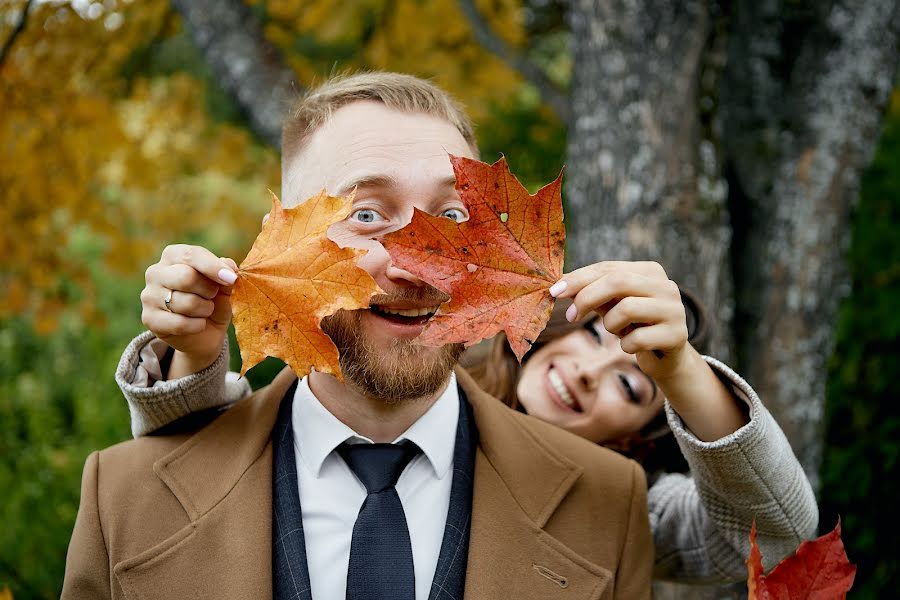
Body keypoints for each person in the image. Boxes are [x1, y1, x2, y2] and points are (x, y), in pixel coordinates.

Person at [62, 72, 654, 600]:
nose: (417, 264)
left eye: (451, 218)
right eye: (368, 214)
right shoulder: (121, 499)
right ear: (282, 238)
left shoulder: (608, 501)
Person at [117, 250, 819, 584]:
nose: (588, 371)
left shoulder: (613, 506)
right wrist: (190, 355)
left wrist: (681, 371)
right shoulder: (404, 363)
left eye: (631, 388)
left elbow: (778, 537)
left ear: (633, 435)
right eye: (599, 341)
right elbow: (187, 478)